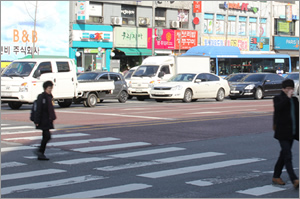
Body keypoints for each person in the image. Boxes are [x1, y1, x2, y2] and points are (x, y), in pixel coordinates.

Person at [272, 79, 299, 189]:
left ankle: (276, 176)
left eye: (291, 89)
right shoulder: (278, 98)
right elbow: (278, 109)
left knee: (284, 154)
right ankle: (294, 179)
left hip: (292, 132)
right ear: (283, 89)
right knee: (288, 155)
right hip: (282, 132)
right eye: (287, 89)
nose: (290, 91)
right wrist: (287, 98)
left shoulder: (295, 100)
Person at [33, 81, 56, 160]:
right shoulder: (42, 97)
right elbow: (38, 109)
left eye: (51, 88)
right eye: (49, 88)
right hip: (43, 120)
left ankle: (40, 152)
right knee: (47, 136)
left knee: (46, 136)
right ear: (45, 88)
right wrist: (37, 121)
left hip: (47, 120)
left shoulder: (49, 97)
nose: (50, 90)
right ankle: (40, 151)